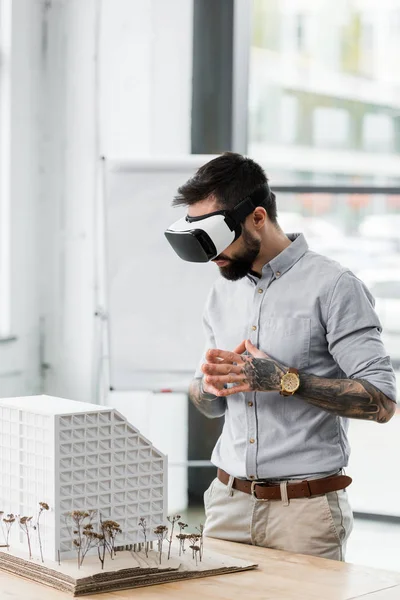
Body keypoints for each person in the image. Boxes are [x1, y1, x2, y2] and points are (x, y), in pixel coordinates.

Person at [170, 152, 397, 561]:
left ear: (258, 217)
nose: (212, 255)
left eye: (219, 239)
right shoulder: (223, 289)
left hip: (304, 514)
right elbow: (209, 405)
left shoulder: (334, 286)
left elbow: (382, 402)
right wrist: (206, 387)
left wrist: (283, 380)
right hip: (227, 504)